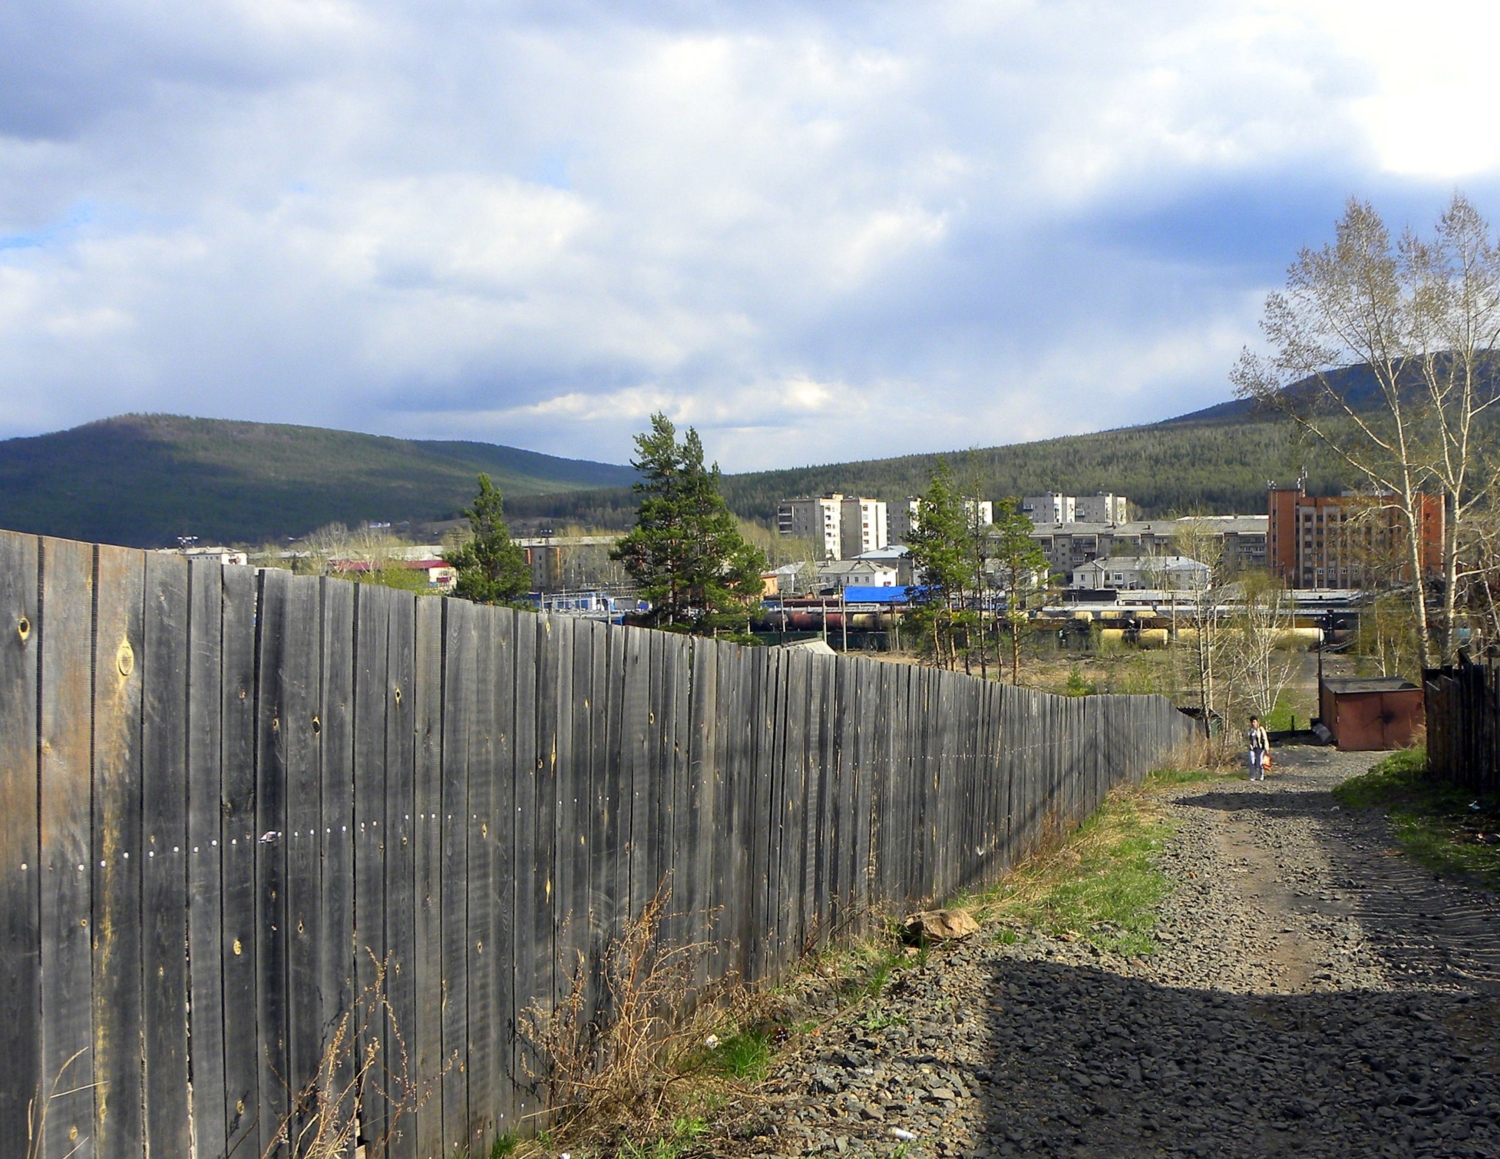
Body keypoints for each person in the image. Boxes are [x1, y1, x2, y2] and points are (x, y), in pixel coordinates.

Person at [1246, 715, 1269, 781]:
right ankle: (1253, 776)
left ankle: (1261, 775)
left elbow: (1265, 739)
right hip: (1252, 748)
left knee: (1260, 762)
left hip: (1260, 748)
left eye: (1254, 722)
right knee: (1251, 761)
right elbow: (1247, 739)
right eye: (1252, 722)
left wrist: (1266, 748)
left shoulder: (1261, 729)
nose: (1253, 724)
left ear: (1257, 722)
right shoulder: (1250, 730)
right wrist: (1249, 745)